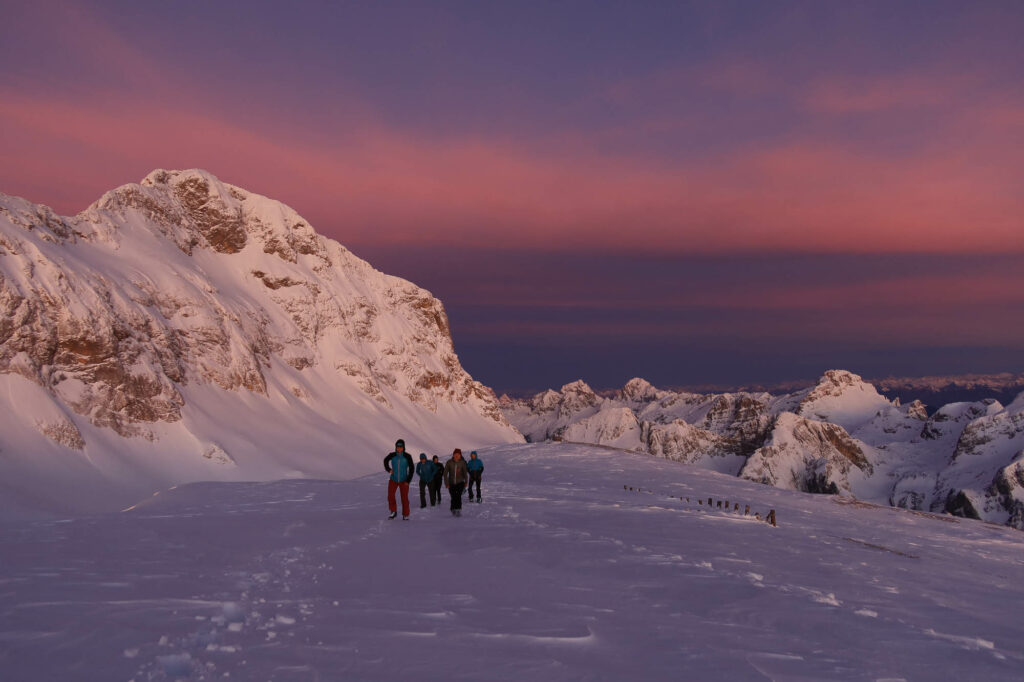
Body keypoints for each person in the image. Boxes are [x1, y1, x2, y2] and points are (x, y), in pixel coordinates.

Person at [383, 439, 414, 520]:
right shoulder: (392, 455)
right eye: (397, 447)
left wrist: (408, 480)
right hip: (393, 479)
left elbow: (412, 468)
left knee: (404, 498)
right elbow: (385, 460)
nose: (399, 448)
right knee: (390, 496)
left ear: (403, 447)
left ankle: (405, 514)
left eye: (401, 446)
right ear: (395, 447)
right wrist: (388, 469)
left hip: (404, 481)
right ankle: (393, 511)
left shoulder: (407, 456)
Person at [443, 448, 469, 517]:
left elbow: (465, 473)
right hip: (451, 483)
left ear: (460, 455)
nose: (457, 456)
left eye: (458, 454)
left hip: (460, 482)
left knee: (458, 496)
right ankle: (453, 509)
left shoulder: (462, 462)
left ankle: (458, 510)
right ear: (453, 455)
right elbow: (445, 473)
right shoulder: (449, 462)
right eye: (455, 454)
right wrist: (447, 483)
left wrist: (466, 482)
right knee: (453, 496)